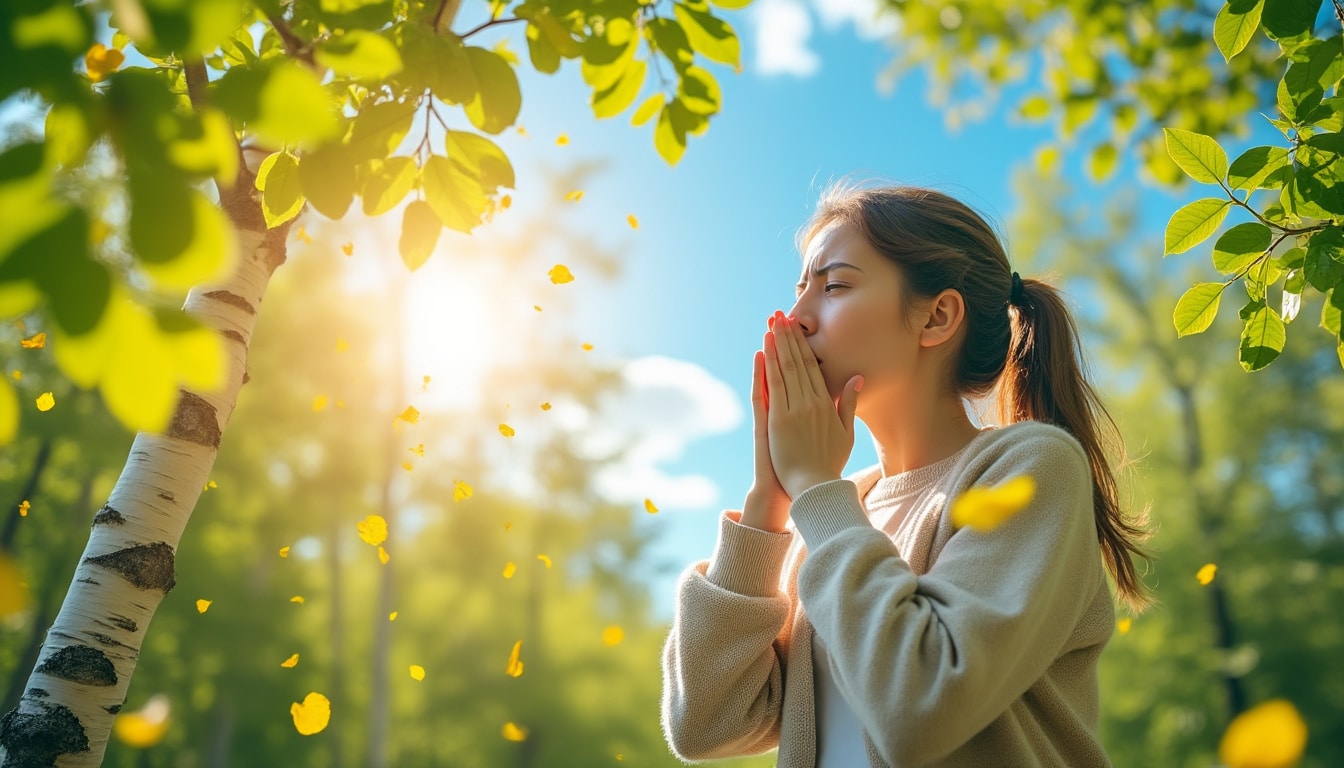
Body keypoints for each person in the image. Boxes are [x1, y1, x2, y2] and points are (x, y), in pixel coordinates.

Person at [659, 182, 1150, 767]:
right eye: (800, 290)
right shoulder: (832, 511)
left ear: (937, 317)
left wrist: (815, 490)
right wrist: (768, 504)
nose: (796, 318)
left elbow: (921, 707)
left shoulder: (1031, 469)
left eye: (834, 286)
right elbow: (704, 726)